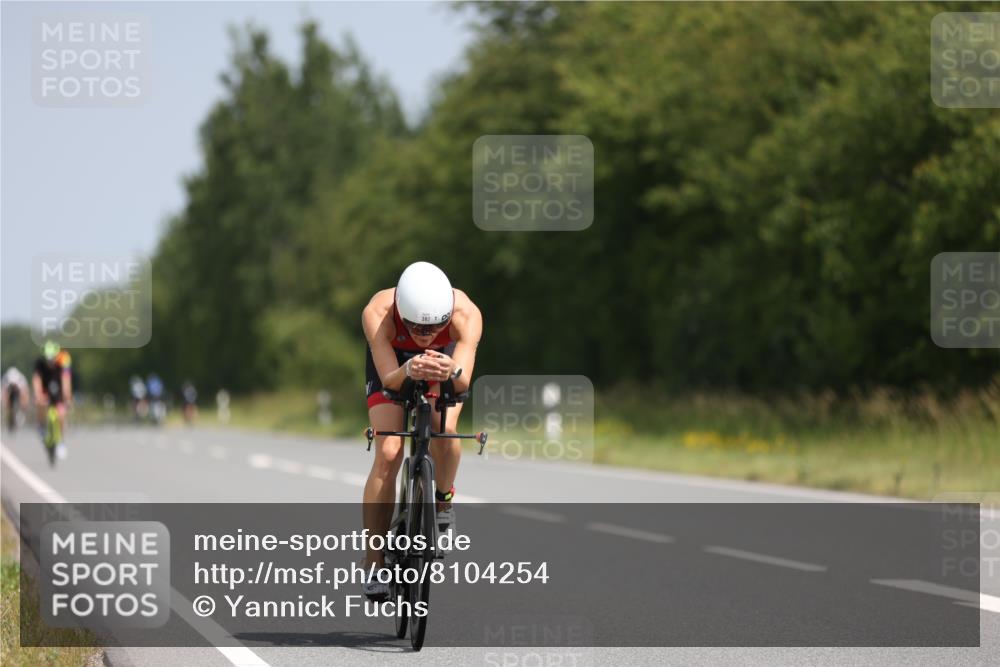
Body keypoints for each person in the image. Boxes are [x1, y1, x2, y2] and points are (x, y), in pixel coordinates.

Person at [360, 261, 482, 599]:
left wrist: (451, 370)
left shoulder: (466, 314)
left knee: (445, 430)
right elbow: (388, 380)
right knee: (388, 451)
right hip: (395, 361)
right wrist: (409, 367)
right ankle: (374, 563)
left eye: (433, 328)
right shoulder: (379, 311)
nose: (424, 335)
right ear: (401, 312)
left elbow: (464, 380)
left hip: (444, 361)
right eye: (415, 327)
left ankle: (442, 502)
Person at [32, 341, 73, 462]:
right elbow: (36, 380)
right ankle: (41, 426)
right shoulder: (39, 363)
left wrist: (67, 398)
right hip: (45, 387)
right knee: (40, 403)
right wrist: (38, 395)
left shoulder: (64, 361)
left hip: (58, 388)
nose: (50, 362)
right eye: (48, 359)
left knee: (61, 414)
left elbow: (66, 381)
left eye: (52, 359)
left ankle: (60, 442)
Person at [2, 366, 29, 432]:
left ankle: (20, 413)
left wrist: (23, 406)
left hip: (19, 391)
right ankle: (10, 419)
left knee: (23, 399)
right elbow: (5, 394)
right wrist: (7, 404)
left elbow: (25, 394)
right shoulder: (6, 380)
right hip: (9, 391)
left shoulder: (21, 380)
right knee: (8, 404)